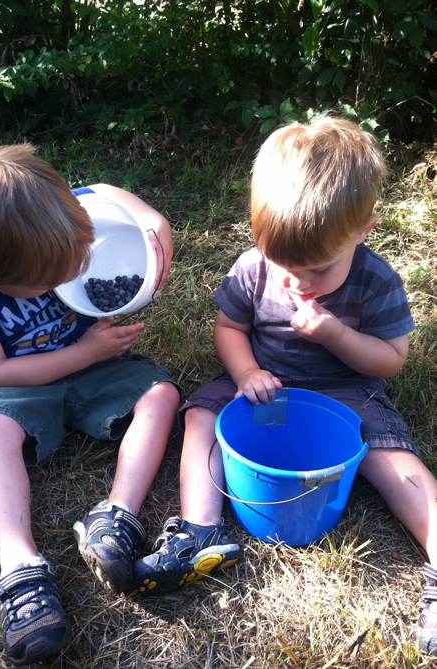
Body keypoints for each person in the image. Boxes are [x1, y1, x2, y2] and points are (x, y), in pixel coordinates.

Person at [132, 117, 437, 655]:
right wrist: (246, 372)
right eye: (283, 264)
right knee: (201, 417)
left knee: (395, 463)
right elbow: (229, 328)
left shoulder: (376, 281)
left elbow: (391, 360)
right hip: (265, 386)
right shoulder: (253, 268)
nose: (297, 281)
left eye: (317, 269)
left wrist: (337, 334)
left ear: (363, 230)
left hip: (344, 393)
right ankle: (199, 530)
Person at [0, 145, 181, 667]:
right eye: (49, 281)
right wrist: (83, 352)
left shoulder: (62, 209)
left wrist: (157, 234)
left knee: (161, 394)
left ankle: (118, 517)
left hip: (100, 369)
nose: (66, 278)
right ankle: (20, 568)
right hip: (23, 382)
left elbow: (116, 197)